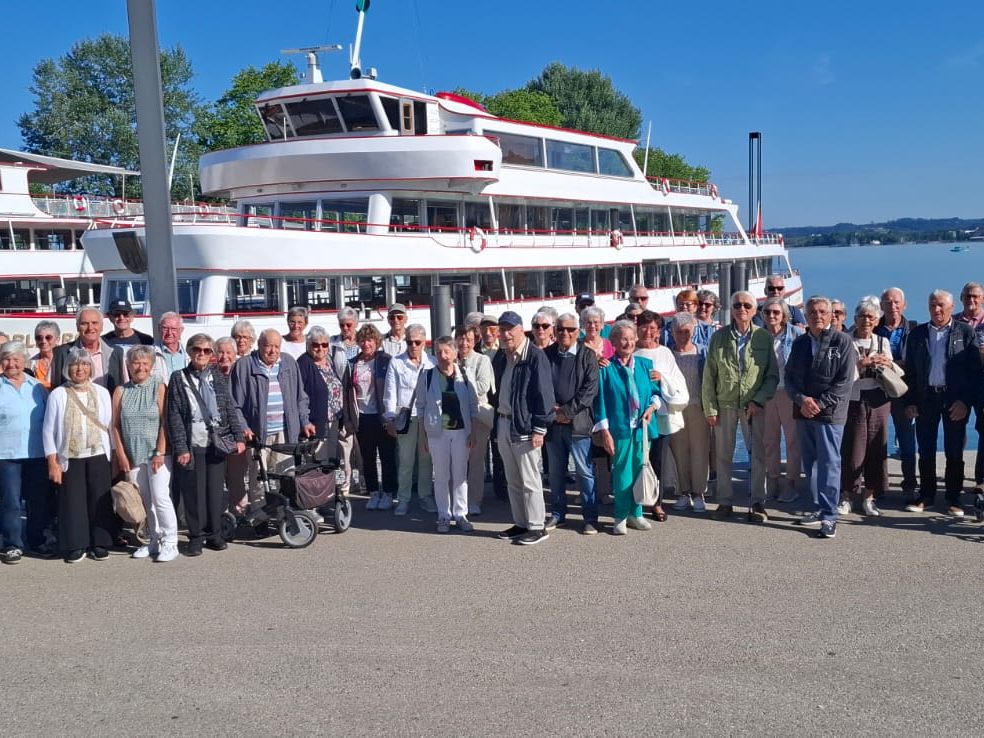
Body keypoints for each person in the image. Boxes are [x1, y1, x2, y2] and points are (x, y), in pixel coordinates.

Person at [902, 290, 979, 516]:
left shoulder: (965, 333)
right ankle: (926, 495)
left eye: (941, 306)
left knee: (954, 450)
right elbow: (911, 374)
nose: (937, 310)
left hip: (954, 400)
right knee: (925, 450)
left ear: (951, 306)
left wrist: (965, 401)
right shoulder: (917, 335)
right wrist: (910, 401)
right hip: (926, 398)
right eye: (933, 305)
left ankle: (953, 498)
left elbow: (974, 373)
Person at [703, 290, 778, 522]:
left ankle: (757, 503)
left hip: (752, 405)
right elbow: (709, 375)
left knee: (757, 456)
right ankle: (725, 501)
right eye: (737, 306)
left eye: (747, 306)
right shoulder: (719, 337)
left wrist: (759, 400)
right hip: (724, 404)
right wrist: (710, 408)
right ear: (731, 309)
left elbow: (772, 375)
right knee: (723, 455)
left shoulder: (763, 338)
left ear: (755, 310)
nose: (741, 309)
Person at [168, 334, 247, 556]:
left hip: (216, 441)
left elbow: (228, 407)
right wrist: (181, 448)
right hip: (193, 441)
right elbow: (173, 415)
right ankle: (196, 536)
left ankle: (214, 534)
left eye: (206, 351)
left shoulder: (217, 376)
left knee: (214, 491)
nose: (202, 354)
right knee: (194, 492)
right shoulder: (178, 378)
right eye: (197, 350)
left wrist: (238, 437)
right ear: (190, 352)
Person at [786, 296, 856, 539]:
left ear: (831, 315)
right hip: (804, 411)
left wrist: (820, 403)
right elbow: (789, 378)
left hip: (829, 413)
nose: (817, 315)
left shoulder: (843, 342)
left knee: (829, 463)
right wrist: (801, 400)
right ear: (805, 314)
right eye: (812, 311)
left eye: (822, 311)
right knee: (811, 462)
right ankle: (819, 507)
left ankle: (829, 516)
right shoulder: (800, 343)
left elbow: (844, 382)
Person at [232, 329, 315, 517]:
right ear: (259, 345)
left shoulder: (288, 363)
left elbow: (300, 397)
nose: (272, 350)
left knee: (284, 474)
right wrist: (244, 427)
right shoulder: (244, 365)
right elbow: (235, 404)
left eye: (276, 346)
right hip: (258, 434)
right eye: (268, 345)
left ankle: (280, 515)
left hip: (285, 431)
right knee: (259, 478)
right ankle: (260, 516)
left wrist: (305, 421)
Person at [43, 348, 114, 563]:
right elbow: (48, 430)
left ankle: (100, 542)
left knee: (99, 499)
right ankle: (76, 544)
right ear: (68, 368)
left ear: (90, 368)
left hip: (98, 453)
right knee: (72, 502)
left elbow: (110, 425)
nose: (80, 368)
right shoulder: (58, 394)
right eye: (75, 365)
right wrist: (52, 461)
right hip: (70, 456)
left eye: (84, 364)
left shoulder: (101, 392)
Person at [491, 310, 555, 545]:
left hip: (525, 425)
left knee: (530, 479)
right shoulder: (502, 356)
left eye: (510, 329)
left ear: (521, 330)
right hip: (504, 422)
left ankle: (538, 526)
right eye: (502, 330)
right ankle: (521, 523)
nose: (505, 334)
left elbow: (544, 395)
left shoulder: (535, 357)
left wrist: (540, 428)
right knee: (513, 479)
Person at [592, 320, 662, 534]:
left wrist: (652, 408)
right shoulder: (606, 368)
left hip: (642, 428)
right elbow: (600, 402)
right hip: (619, 428)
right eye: (623, 338)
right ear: (613, 341)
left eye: (631, 339)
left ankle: (636, 513)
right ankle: (620, 515)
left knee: (640, 469)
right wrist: (605, 432)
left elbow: (655, 393)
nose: (628, 343)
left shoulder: (644, 365)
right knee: (623, 473)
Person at [111, 345, 178, 562]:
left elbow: (165, 422)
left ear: (151, 366)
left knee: (160, 497)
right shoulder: (121, 391)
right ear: (128, 366)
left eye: (145, 363)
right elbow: (115, 426)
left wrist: (160, 451)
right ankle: (154, 540)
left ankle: (170, 541)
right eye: (136, 363)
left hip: (157, 454)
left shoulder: (159, 388)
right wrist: (121, 455)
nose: (140, 367)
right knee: (145, 500)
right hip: (133, 453)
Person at [415, 336, 479, 533]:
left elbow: (472, 406)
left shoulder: (465, 375)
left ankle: (461, 514)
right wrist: (423, 436)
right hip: (437, 432)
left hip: (461, 431)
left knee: (460, 475)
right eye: (439, 351)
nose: (443, 356)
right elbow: (421, 407)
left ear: (454, 353)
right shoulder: (426, 376)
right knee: (441, 475)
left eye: (447, 351)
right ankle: (443, 515)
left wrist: (474, 432)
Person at [544, 312, 599, 534]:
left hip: (579, 424)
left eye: (570, 329)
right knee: (555, 472)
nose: (565, 333)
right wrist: (554, 412)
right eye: (560, 329)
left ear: (578, 332)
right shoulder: (546, 355)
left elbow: (590, 389)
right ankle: (558, 514)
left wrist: (567, 411)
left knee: (584, 472)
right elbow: (540, 385)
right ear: (555, 331)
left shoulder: (588, 356)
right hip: (554, 424)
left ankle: (590, 517)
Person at [839, 297, 894, 517]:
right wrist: (860, 365)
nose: (866, 321)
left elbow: (891, 368)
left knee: (876, 448)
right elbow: (841, 373)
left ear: (877, 320)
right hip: (853, 399)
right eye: (862, 316)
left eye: (871, 317)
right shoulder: (846, 341)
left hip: (879, 400)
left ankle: (870, 497)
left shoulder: (883, 342)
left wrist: (885, 363)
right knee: (852, 450)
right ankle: (846, 496)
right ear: (855, 319)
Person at [0, 341, 51, 564]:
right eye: (7, 359)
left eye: (16, 359)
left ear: (24, 361)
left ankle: (36, 539)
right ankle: (12, 543)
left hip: (36, 453)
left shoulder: (38, 387)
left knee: (36, 500)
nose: (11, 363)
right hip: (6, 454)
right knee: (10, 501)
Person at [635, 309, 688, 520]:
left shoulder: (665, 352)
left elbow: (678, 381)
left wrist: (662, 377)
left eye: (653, 328)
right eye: (644, 327)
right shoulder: (631, 349)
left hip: (661, 415)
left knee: (659, 460)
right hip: (636, 413)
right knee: (637, 458)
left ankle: (657, 502)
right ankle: (636, 501)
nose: (648, 332)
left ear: (658, 331)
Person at [383, 323, 435, 514]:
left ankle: (425, 496)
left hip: (426, 419)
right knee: (405, 460)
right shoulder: (396, 362)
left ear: (424, 342)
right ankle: (403, 498)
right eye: (409, 342)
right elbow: (390, 393)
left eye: (417, 342)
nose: (413, 345)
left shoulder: (433, 363)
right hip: (406, 418)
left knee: (426, 459)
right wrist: (390, 419)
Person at [759, 296, 804, 503]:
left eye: (776, 312)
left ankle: (791, 483)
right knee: (769, 441)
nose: (771, 316)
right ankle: (773, 479)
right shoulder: (758, 337)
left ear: (784, 315)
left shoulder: (797, 335)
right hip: (767, 394)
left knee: (793, 441)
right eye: (768, 313)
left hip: (790, 393)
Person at [348, 324, 397, 511]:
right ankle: (373, 492)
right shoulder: (353, 363)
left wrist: (391, 416)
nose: (366, 343)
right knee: (367, 457)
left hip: (381, 415)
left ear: (377, 342)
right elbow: (348, 390)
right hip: (362, 415)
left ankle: (388, 492)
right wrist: (350, 417)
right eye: (363, 340)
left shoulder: (385, 360)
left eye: (370, 340)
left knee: (387, 456)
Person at [874, 287, 917, 496]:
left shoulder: (915, 330)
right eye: (888, 302)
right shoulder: (872, 328)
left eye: (897, 302)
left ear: (904, 304)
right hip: (877, 391)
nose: (893, 306)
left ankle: (909, 484)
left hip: (904, 392)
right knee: (875, 439)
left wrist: (891, 365)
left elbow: (917, 364)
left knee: (907, 439)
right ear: (881, 306)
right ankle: (876, 484)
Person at [667, 313, 710, 512]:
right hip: (675, 409)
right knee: (679, 451)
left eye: (687, 332)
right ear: (672, 333)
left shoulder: (702, 352)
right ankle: (683, 492)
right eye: (678, 332)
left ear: (693, 332)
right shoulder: (667, 354)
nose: (683, 335)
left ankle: (699, 492)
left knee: (700, 451)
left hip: (698, 406)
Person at [216, 336, 258, 520]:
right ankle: (218, 514)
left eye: (228, 353)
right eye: (221, 352)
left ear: (235, 355)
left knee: (236, 476)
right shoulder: (210, 374)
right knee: (217, 476)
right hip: (216, 435)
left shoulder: (242, 374)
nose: (224, 356)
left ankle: (238, 512)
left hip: (238, 434)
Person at [456, 325, 494, 516]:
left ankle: (474, 500)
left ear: (475, 341)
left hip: (477, 416)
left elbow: (482, 386)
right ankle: (457, 499)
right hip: (455, 416)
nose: (464, 343)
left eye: (468, 339)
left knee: (476, 460)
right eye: (461, 338)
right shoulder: (451, 359)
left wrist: (460, 383)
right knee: (456, 460)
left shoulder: (482, 360)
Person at [297, 325, 345, 464]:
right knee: (318, 460)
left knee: (331, 459)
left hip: (334, 420)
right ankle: (319, 485)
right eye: (316, 345)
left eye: (324, 344)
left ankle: (329, 485)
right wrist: (304, 421)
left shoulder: (329, 361)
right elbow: (299, 395)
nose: (320, 348)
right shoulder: (304, 363)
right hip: (316, 422)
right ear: (308, 344)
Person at [954, 281, 984, 495]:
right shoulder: (952, 322)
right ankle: (954, 478)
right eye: (967, 296)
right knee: (956, 432)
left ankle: (981, 480)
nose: (971, 300)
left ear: (982, 298)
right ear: (961, 298)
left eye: (975, 296)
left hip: (982, 383)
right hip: (960, 387)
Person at [51, 307, 122, 392]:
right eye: (84, 323)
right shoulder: (61, 353)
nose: (90, 328)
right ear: (77, 327)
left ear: (101, 326)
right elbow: (52, 388)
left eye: (94, 323)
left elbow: (123, 388)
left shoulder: (116, 353)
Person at [151, 311, 187, 384]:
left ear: (181, 330)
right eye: (165, 328)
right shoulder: (150, 353)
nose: (169, 333)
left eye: (173, 329)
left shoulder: (189, 352)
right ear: (159, 328)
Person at [30, 320, 60, 390]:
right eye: (39, 338)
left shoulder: (64, 361)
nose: (43, 341)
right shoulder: (30, 363)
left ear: (57, 340)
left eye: (48, 337)